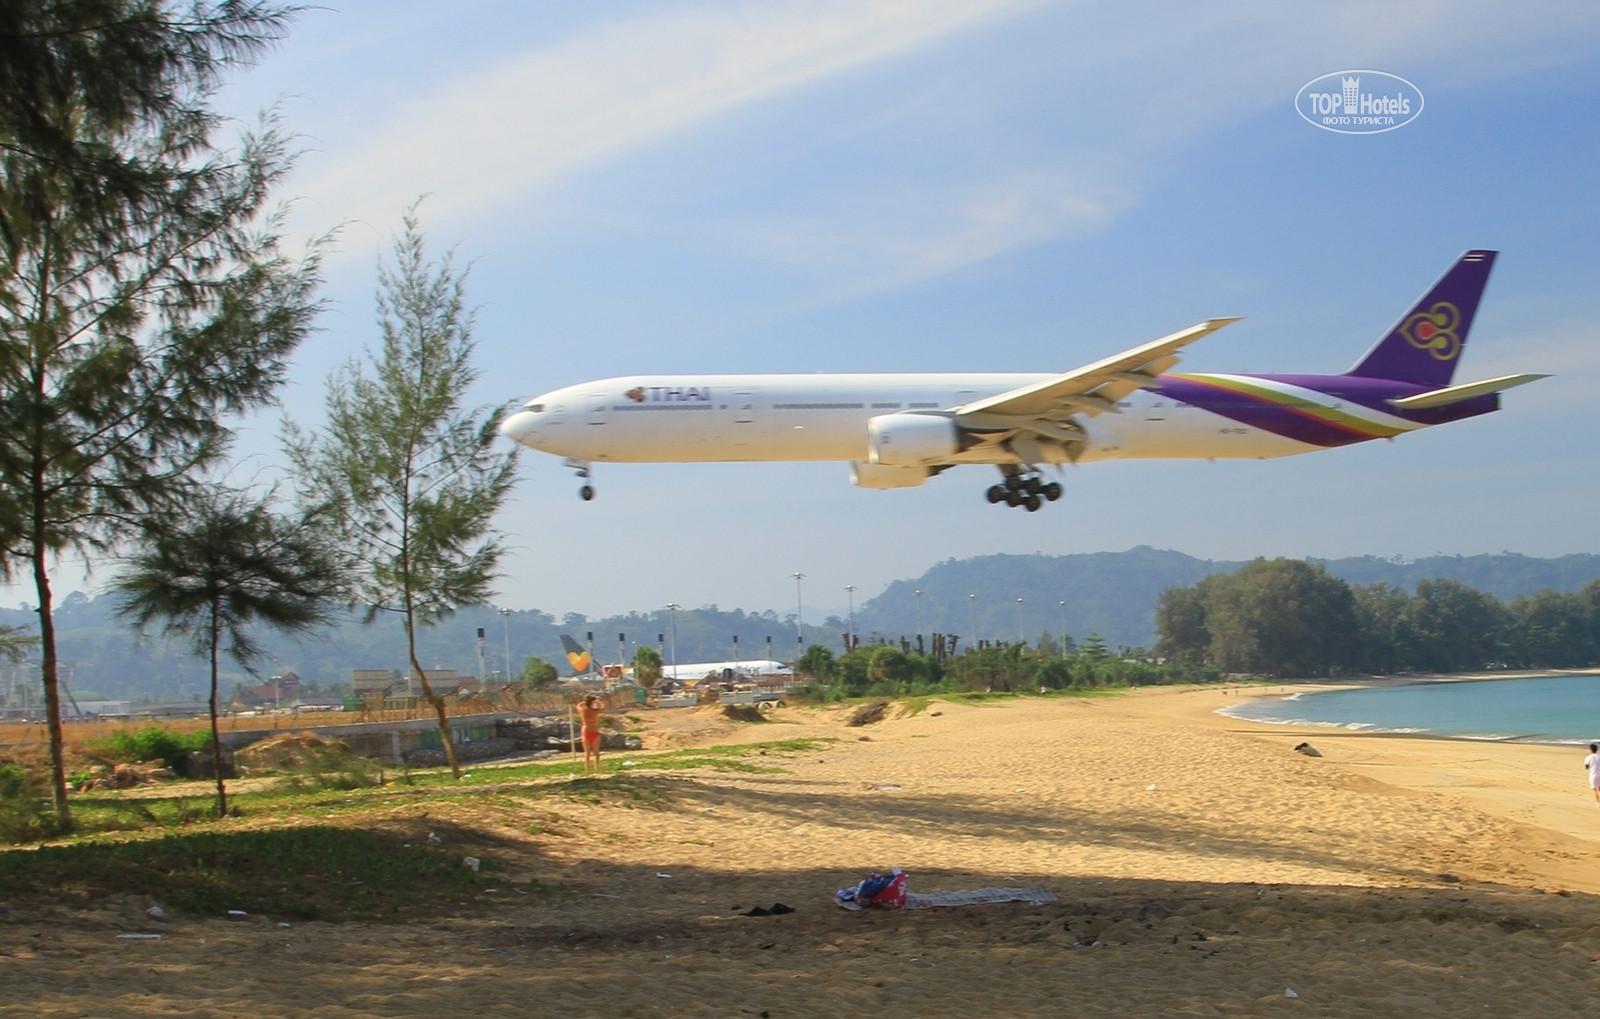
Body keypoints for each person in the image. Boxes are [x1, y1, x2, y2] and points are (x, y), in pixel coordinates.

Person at [578, 694, 605, 775]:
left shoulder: (583, 710)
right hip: (594, 731)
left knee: (587, 753)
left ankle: (587, 770)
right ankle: (597, 770)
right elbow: (603, 707)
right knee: (596, 753)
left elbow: (578, 705)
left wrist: (584, 701)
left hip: (586, 731)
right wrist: (597, 701)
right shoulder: (595, 711)